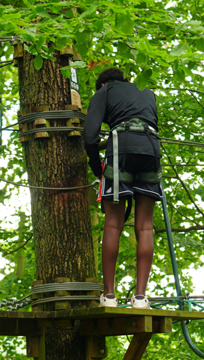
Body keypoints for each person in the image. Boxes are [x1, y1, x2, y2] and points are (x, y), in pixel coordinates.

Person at [83, 68, 162, 310]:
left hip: (121, 150)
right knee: (145, 225)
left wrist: (97, 168)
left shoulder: (105, 91)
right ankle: (140, 298)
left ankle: (109, 296)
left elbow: (90, 137)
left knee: (113, 223)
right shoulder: (147, 92)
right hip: (151, 149)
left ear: (104, 83)